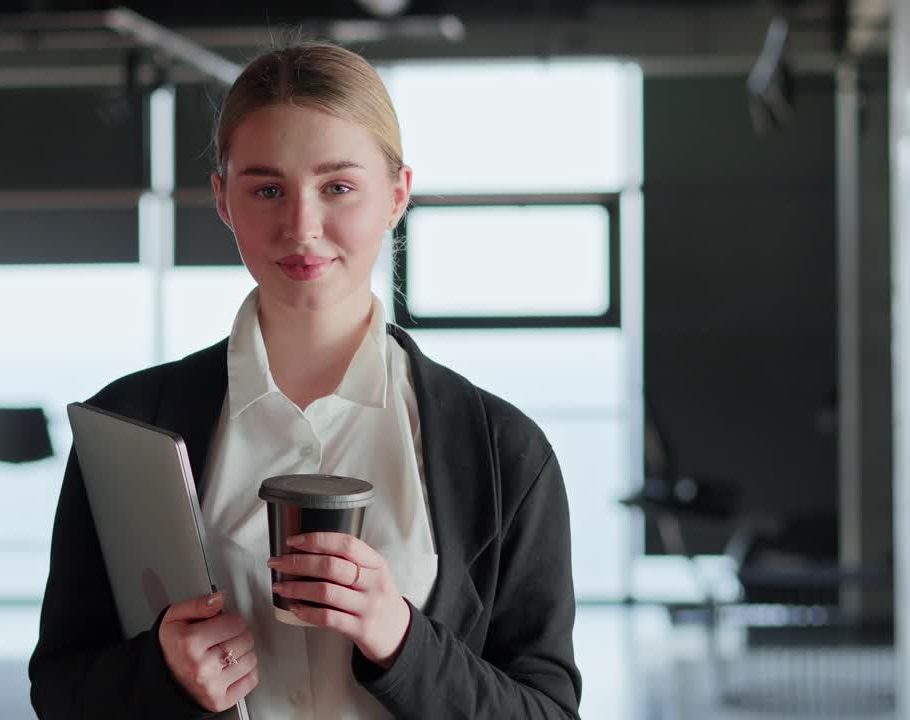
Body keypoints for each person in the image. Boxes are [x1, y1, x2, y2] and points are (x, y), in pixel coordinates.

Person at [29, 41, 581, 720]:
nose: (302, 227)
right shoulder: (129, 425)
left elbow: (547, 712)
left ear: (397, 195)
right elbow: (59, 693)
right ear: (223, 201)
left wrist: (404, 643)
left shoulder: (504, 452)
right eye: (267, 189)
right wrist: (163, 677)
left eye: (338, 187)